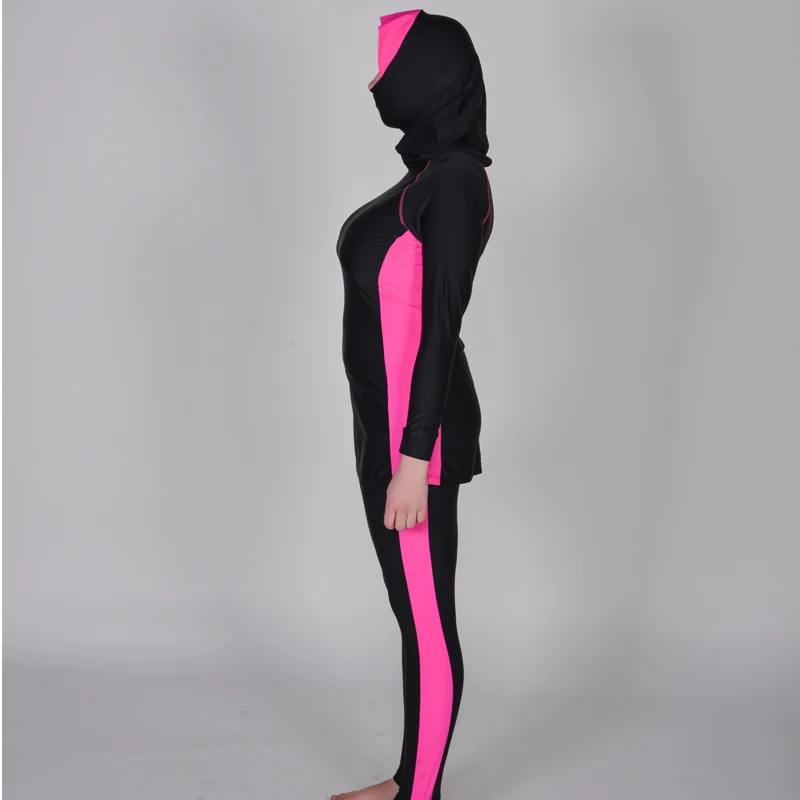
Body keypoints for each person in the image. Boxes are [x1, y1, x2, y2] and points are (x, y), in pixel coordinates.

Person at [333, 8, 494, 800]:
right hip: (388, 434)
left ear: (425, 76)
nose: (373, 79)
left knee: (427, 620)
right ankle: (409, 781)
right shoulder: (428, 174)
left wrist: (412, 459)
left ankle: (419, 796)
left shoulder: (455, 184)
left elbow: (440, 327)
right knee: (412, 613)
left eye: (386, 64)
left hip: (412, 448)